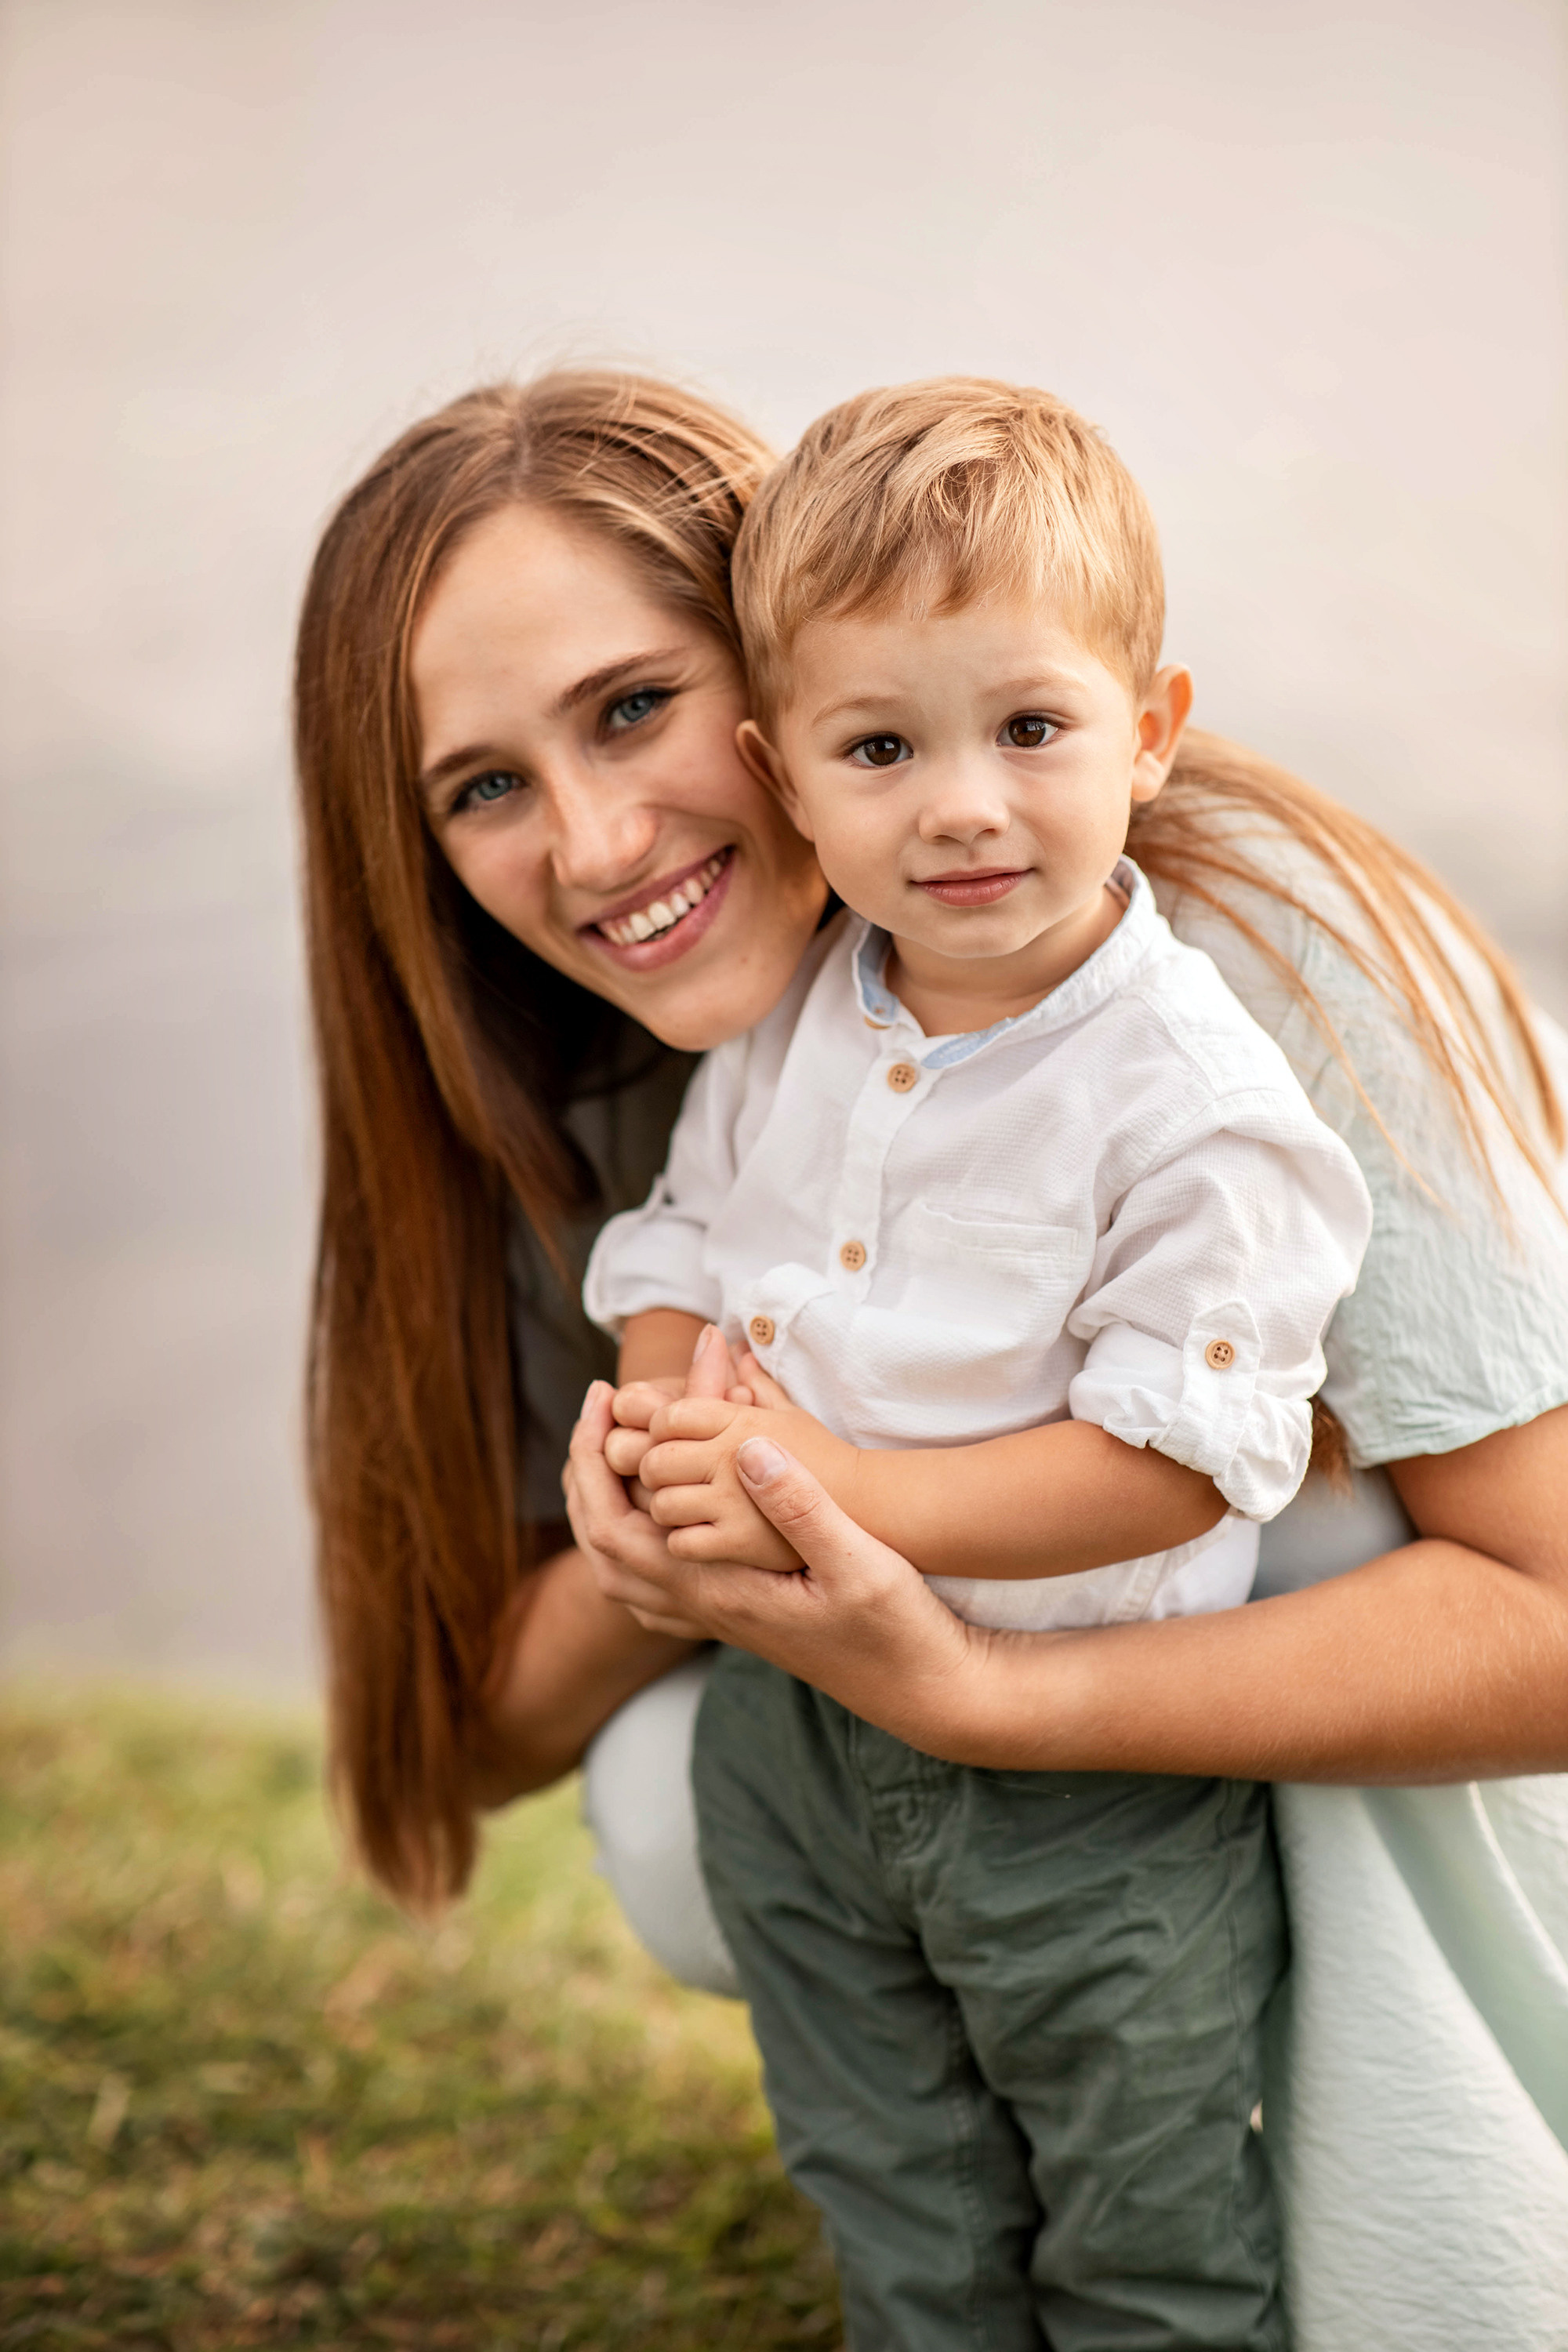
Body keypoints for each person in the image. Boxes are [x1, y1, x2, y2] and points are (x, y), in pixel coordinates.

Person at [293, 368, 1568, 2350]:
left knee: (1285, 1557)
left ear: (761, 675)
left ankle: (1389, 2203)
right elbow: (457, 1730)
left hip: (1378, 1768)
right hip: (903, 1784)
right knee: (681, 1776)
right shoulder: (669, 1058)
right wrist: (684, 1502)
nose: (601, 838)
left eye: (632, 708)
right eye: (483, 785)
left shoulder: (1225, 970)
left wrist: (964, 1673)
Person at [579, 378, 1377, 2349]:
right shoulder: (791, 1018)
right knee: (893, 2181)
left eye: (1029, 729)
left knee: (1146, 2214)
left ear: (1149, 731)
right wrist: (673, 1404)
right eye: (879, 746)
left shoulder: (1190, 1103)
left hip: (1081, 1776)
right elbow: (683, 1234)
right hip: (796, 1741)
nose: (957, 803)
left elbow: (1187, 1454)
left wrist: (853, 1493)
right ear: (785, 773)